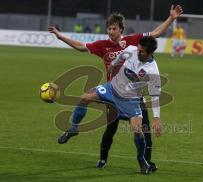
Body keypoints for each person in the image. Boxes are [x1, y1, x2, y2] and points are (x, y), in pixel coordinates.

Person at [48, 4, 183, 171]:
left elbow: (155, 34)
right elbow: (81, 47)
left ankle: (145, 162)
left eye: (113, 28)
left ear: (121, 29)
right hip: (112, 91)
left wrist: (171, 18)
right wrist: (60, 37)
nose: (110, 31)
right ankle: (79, 134)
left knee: (141, 131)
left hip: (133, 96)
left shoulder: (134, 43)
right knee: (95, 111)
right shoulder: (103, 45)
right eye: (109, 28)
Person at [62, 36, 161, 174]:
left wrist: (156, 119)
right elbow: (121, 56)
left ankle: (141, 160)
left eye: (142, 52)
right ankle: (73, 128)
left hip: (131, 100)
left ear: (150, 53)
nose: (138, 53)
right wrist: (113, 64)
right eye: (139, 49)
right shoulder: (132, 50)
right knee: (84, 98)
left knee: (138, 131)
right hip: (112, 89)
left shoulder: (153, 71)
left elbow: (155, 95)